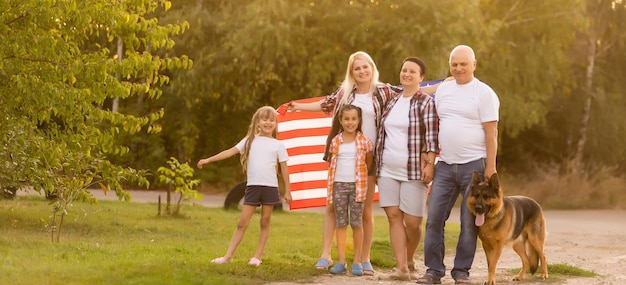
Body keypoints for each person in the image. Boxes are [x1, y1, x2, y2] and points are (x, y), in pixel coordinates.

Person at [286, 51, 396, 275]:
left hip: (368, 158)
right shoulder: (345, 93)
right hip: (342, 156)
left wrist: (443, 84)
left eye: (365, 67)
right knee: (332, 207)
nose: (362, 71)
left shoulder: (384, 90)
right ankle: (326, 255)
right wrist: (298, 106)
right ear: (352, 72)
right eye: (357, 68)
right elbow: (325, 104)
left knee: (365, 210)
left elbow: (413, 89)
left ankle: (364, 259)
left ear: (372, 68)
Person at [417, 45, 500, 284]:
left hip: (474, 167)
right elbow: (424, 106)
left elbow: (491, 133)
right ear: (450, 66)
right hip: (445, 165)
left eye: (464, 64)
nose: (459, 68)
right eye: (455, 64)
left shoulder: (484, 93)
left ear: (474, 64)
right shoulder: (443, 89)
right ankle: (433, 270)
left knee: (469, 222)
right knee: (433, 218)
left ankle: (461, 272)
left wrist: (490, 167)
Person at [197, 106, 292, 267]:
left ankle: (257, 257)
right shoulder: (249, 141)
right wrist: (208, 160)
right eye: (264, 119)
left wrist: (288, 191)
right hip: (253, 187)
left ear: (276, 123)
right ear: (257, 122)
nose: (268, 123)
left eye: (271, 120)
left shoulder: (278, 145)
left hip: (270, 188)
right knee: (242, 222)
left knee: (265, 221)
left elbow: (284, 169)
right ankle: (227, 256)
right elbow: (229, 152)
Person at [374, 57, 438, 281]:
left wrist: (430, 163)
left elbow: (431, 138)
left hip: (414, 171)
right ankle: (401, 268)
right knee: (393, 217)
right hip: (387, 169)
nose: (407, 74)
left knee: (412, 222)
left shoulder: (425, 102)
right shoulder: (392, 100)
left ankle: (410, 258)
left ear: (421, 78)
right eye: (404, 70)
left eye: (412, 71)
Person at [325, 104, 374, 276]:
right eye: (346, 119)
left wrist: (358, 180)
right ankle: (340, 261)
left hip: (357, 187)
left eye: (353, 119)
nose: (350, 122)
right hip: (339, 185)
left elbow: (368, 164)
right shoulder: (335, 141)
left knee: (356, 223)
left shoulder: (364, 142)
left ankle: (357, 262)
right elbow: (332, 163)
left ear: (359, 120)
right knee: (341, 223)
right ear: (341, 120)